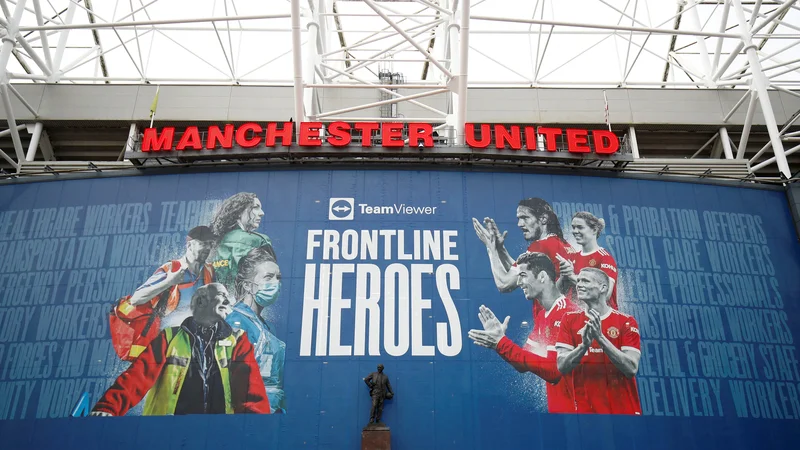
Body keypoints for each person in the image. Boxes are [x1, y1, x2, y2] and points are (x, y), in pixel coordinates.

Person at [92, 283, 270, 416]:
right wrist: (107, 408)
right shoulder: (169, 338)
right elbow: (136, 378)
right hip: (168, 437)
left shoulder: (238, 341)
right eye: (220, 295)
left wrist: (256, 425)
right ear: (200, 302)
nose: (227, 300)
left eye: (227, 297)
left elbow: (250, 390)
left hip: (217, 436)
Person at [468, 252, 580, 413]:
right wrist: (499, 342)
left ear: (542, 276)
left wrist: (501, 343)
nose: (519, 282)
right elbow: (522, 362)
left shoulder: (567, 314)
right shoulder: (543, 316)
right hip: (561, 414)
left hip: (579, 416)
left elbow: (554, 371)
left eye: (523, 275)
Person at [473, 198, 576, 352]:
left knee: (525, 361)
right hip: (564, 324)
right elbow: (523, 272)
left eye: (525, 218)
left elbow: (505, 283)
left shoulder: (541, 245)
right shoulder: (564, 245)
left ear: (543, 219)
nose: (520, 224)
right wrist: (500, 249)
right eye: (519, 219)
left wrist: (490, 248)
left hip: (553, 328)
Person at [114, 225, 216, 360]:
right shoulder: (171, 269)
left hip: (196, 345)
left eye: (210, 244)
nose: (208, 248)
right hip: (168, 346)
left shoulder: (209, 270)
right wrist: (169, 282)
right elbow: (135, 299)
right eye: (203, 243)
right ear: (189, 245)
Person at [555, 268, 641, 415]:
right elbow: (561, 366)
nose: (579, 284)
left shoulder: (626, 322)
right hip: (585, 414)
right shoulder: (569, 320)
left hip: (624, 412)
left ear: (603, 288)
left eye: (585, 281)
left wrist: (600, 338)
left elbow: (631, 368)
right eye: (579, 280)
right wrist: (583, 347)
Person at [226, 245, 286, 413]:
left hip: (269, 410)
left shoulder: (266, 327)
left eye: (278, 278)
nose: (276, 283)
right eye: (268, 277)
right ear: (247, 285)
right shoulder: (235, 322)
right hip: (249, 413)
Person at [557, 211, 619, 309]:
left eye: (580, 227)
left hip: (600, 319)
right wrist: (563, 276)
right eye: (573, 227)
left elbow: (606, 294)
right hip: (576, 317)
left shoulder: (604, 258)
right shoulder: (572, 258)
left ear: (594, 230)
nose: (575, 231)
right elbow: (558, 293)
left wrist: (571, 276)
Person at [211, 192, 271, 289]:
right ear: (239, 211)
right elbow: (269, 277)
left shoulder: (212, 244)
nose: (262, 213)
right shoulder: (260, 241)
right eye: (255, 207)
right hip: (243, 300)